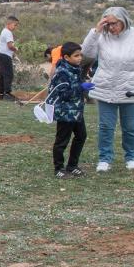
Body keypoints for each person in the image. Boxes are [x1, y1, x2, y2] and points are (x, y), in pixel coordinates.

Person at [79, 6, 134, 172]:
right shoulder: (101, 35)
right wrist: (96, 32)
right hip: (106, 88)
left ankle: (131, 157)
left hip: (131, 89)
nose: (111, 27)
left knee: (130, 127)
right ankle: (104, 158)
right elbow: (86, 54)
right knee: (106, 126)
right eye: (108, 24)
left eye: (114, 23)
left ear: (124, 21)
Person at [46, 43, 92, 178]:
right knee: (62, 141)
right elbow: (63, 94)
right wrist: (81, 87)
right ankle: (58, 168)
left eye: (80, 55)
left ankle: (72, 166)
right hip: (65, 112)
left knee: (81, 136)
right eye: (76, 56)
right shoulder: (61, 73)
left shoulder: (75, 69)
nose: (79, 58)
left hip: (76, 111)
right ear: (66, 57)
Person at [0, 17, 20, 101]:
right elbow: (10, 46)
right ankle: (7, 93)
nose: (15, 27)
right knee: (9, 74)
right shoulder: (8, 32)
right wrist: (16, 49)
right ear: (9, 24)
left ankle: (1, 94)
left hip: (1, 54)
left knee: (2, 75)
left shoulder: (4, 31)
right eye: (15, 25)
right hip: (5, 55)